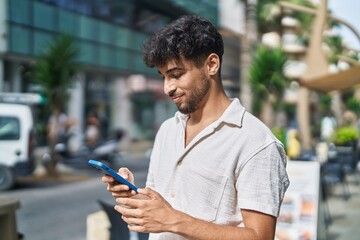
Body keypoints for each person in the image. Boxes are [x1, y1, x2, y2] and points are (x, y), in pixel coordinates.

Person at [102, 15, 289, 240]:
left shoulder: (256, 143)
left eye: (176, 75)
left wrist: (173, 219)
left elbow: (260, 237)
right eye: (163, 77)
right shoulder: (167, 130)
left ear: (211, 65)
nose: (167, 88)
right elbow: (159, 210)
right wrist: (131, 193)